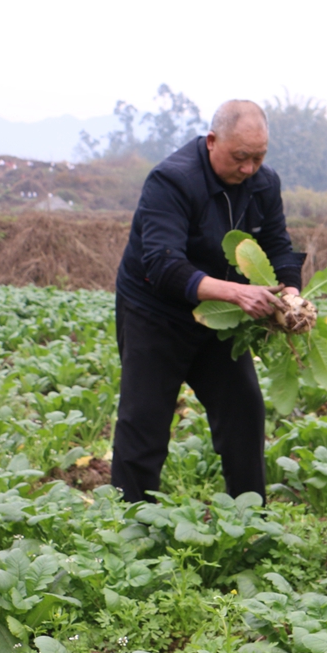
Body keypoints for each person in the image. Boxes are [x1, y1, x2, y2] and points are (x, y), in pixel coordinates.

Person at [110, 100, 303, 503]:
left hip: (220, 318)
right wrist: (238, 292)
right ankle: (127, 529)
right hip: (155, 312)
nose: (249, 168)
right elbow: (164, 265)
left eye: (258, 157)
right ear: (212, 141)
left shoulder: (264, 183)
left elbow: (278, 246)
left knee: (244, 411)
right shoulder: (172, 181)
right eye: (240, 157)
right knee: (144, 420)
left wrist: (292, 296)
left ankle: (250, 518)